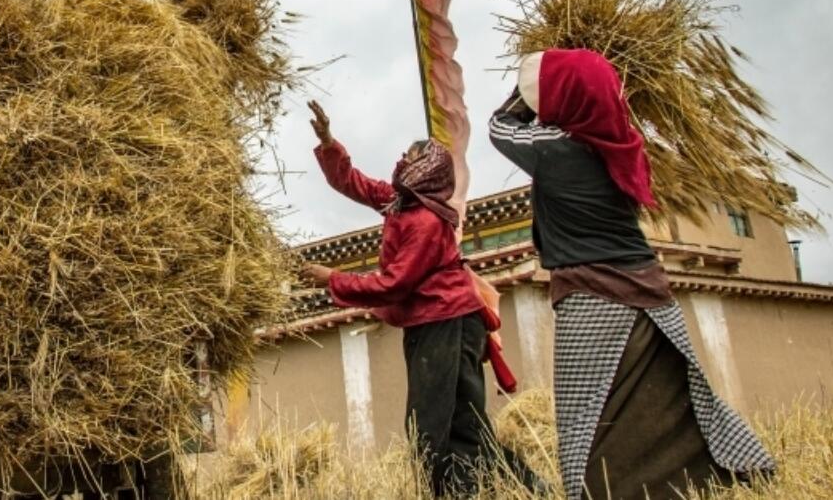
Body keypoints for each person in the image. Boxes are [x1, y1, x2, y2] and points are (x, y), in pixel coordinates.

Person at [488, 48, 775, 500]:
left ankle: (601, 490)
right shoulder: (623, 141)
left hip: (593, 298)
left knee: (586, 410)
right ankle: (705, 473)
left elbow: (499, 127)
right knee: (673, 389)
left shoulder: (558, 153)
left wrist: (525, 97)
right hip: (650, 290)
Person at [299, 101, 535, 498]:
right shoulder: (400, 203)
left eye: (407, 157)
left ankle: (455, 491)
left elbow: (395, 283)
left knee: (432, 424)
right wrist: (328, 141)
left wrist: (334, 278)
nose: (399, 161)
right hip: (440, 323)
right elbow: (353, 182)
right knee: (466, 424)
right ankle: (522, 489)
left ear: (424, 169)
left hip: (448, 324)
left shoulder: (426, 221)